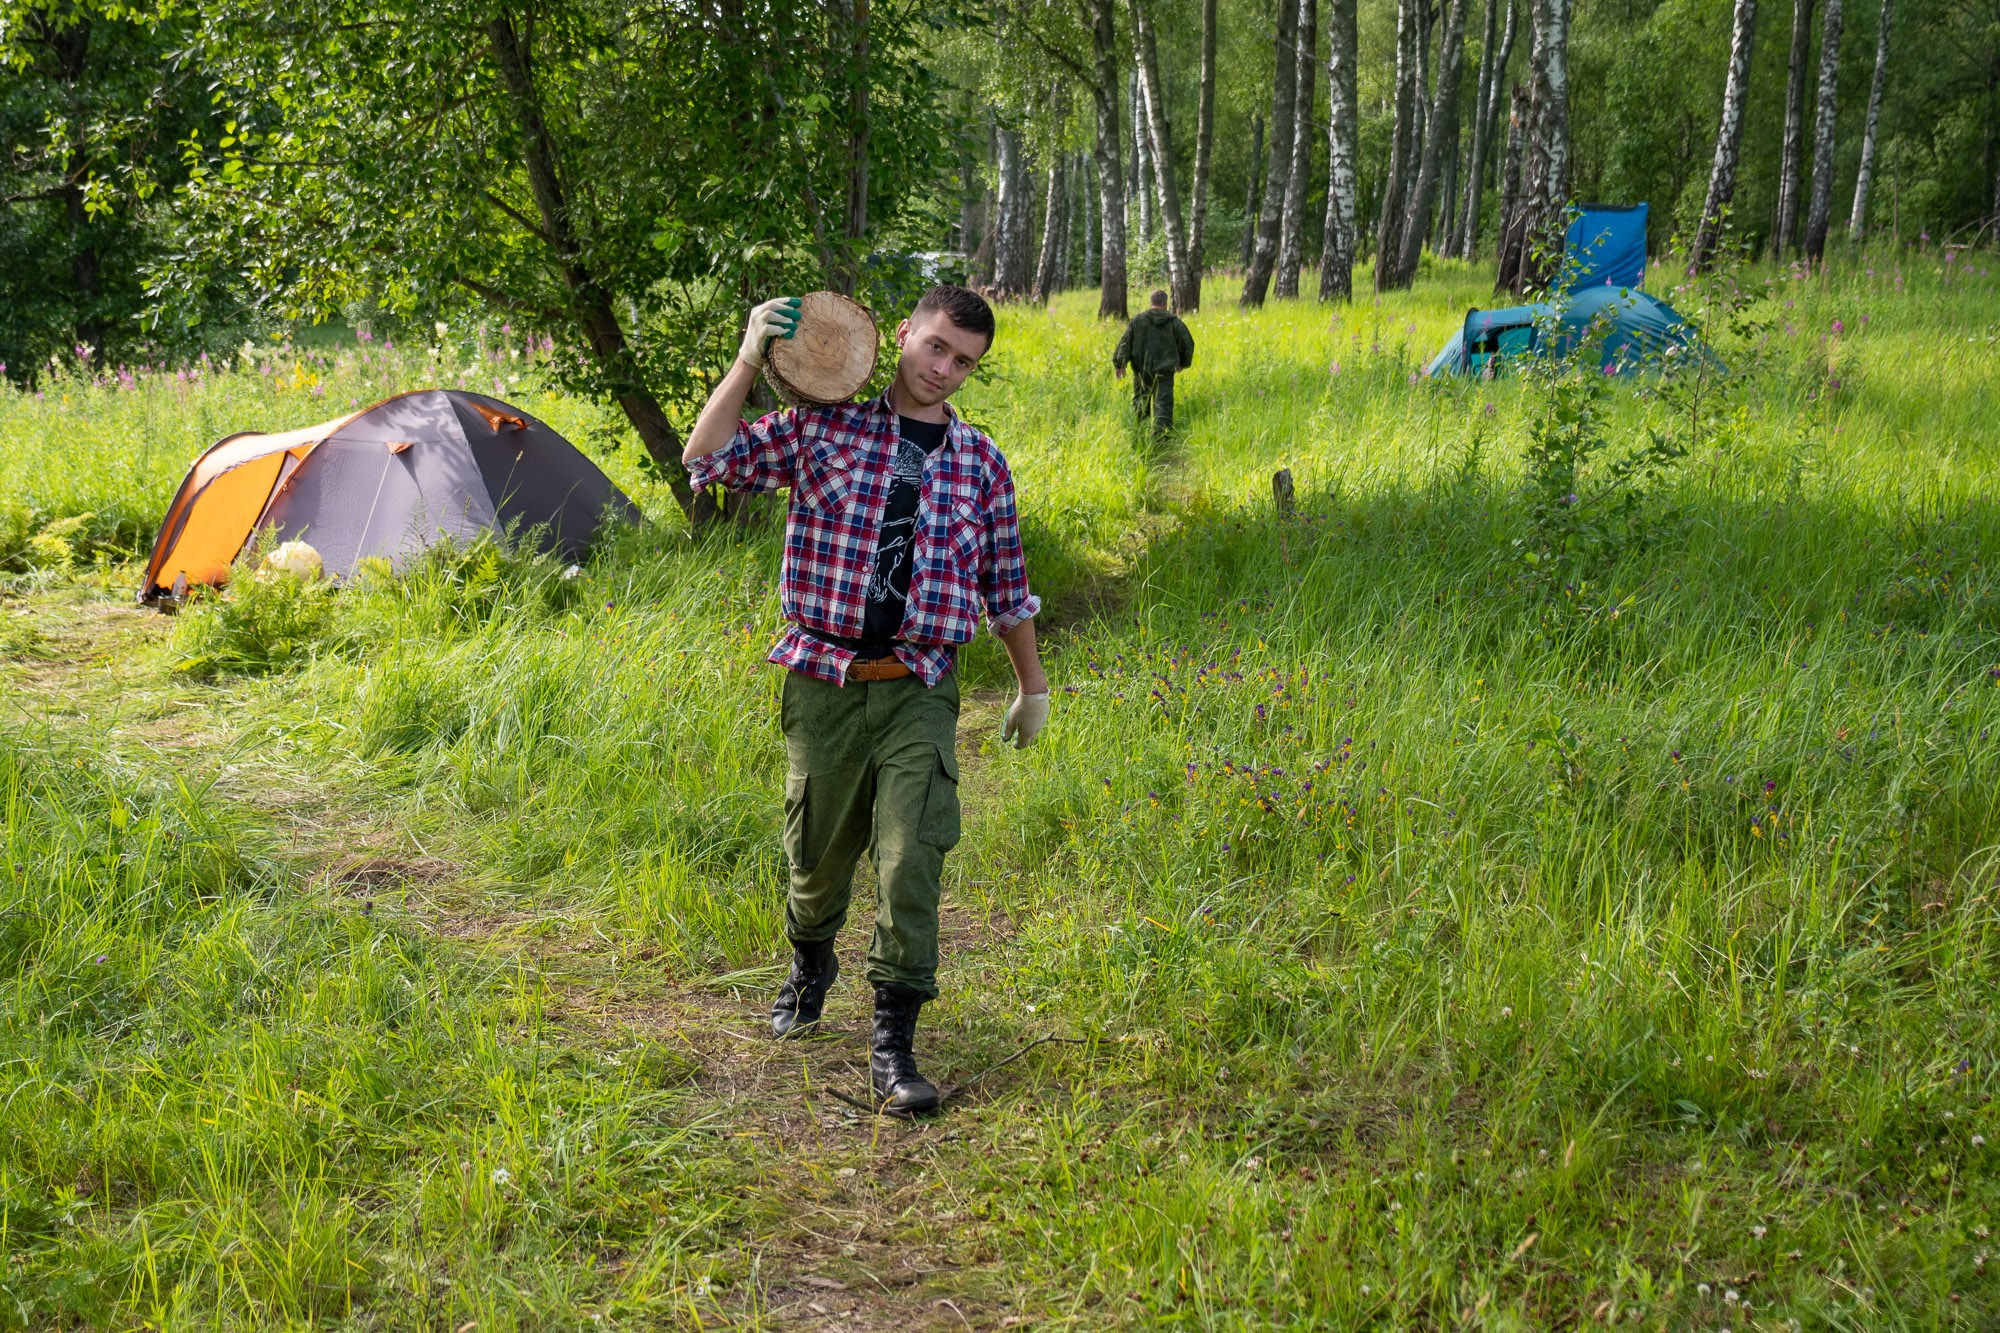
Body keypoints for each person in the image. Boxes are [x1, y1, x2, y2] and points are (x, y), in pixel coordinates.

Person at [681, 285, 1050, 1116]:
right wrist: (748, 355)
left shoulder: (980, 462)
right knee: (814, 857)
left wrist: (1034, 685)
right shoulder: (824, 428)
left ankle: (894, 1041)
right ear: (905, 334)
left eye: (964, 361)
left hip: (921, 685)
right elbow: (705, 460)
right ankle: (811, 962)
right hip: (824, 682)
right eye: (937, 348)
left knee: (912, 856)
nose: (946, 370)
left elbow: (1008, 588)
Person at [1112, 289, 1195, 435]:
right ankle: (1161, 437)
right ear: (1165, 303)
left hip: (1141, 370)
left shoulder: (1137, 320)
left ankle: (1141, 432)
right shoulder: (1174, 322)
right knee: (1163, 403)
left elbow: (1125, 342)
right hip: (1165, 371)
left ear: (1151, 302)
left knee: (1141, 401)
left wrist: (1120, 364)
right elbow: (1187, 343)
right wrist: (1183, 362)